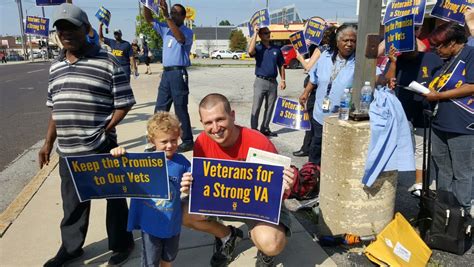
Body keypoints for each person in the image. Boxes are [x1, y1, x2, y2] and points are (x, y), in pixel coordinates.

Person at [38, 4, 136, 267]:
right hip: (68, 152)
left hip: (100, 147)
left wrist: (104, 130)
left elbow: (124, 103)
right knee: (72, 204)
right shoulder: (55, 67)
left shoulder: (108, 62)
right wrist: (48, 143)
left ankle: (122, 243)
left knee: (114, 199)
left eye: (72, 28)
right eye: (61, 29)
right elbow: (55, 109)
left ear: (87, 29)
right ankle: (71, 249)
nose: (66, 33)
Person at [180, 93, 295, 267]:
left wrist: (287, 183)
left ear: (232, 115)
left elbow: (278, 192)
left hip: (257, 206)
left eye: (220, 119)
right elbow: (203, 185)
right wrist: (191, 185)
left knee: (271, 242)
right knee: (182, 213)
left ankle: (265, 252)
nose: (215, 127)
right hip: (222, 200)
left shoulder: (258, 141)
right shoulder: (202, 142)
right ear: (202, 123)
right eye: (208, 123)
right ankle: (227, 235)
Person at [110, 112, 191, 267]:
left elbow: (196, 177)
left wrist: (191, 182)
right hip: (150, 226)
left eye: (174, 140)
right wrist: (118, 153)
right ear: (152, 140)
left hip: (172, 223)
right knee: (150, 262)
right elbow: (121, 169)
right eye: (164, 141)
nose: (170, 145)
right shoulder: (143, 163)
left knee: (168, 258)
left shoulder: (182, 162)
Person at [423, 22, 474, 214]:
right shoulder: (447, 60)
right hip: (440, 122)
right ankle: (444, 209)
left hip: (462, 124)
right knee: (442, 168)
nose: (436, 50)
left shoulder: (470, 55)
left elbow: (472, 85)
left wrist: (440, 96)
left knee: (462, 172)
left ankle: (461, 213)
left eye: (439, 46)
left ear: (453, 42)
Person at [383, 44, 444, 196]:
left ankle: (419, 183)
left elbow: (443, 79)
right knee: (396, 146)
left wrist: (434, 91)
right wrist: (393, 62)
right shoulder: (398, 60)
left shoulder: (431, 58)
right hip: (402, 110)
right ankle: (390, 179)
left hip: (424, 109)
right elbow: (386, 80)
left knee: (421, 147)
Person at [299, 24, 357, 165]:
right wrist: (305, 93)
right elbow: (314, 78)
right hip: (320, 115)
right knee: (316, 149)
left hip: (342, 117)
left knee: (336, 154)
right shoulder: (325, 56)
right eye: (346, 40)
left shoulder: (359, 61)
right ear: (337, 41)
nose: (349, 44)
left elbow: (378, 77)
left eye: (353, 41)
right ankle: (312, 179)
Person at [143, 0, 194, 152]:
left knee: (180, 108)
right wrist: (147, 4)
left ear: (183, 16)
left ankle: (187, 140)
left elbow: (180, 39)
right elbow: (149, 19)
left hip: (178, 72)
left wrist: (166, 17)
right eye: (171, 12)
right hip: (167, 73)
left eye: (175, 13)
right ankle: (156, 140)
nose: (172, 15)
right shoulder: (165, 29)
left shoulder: (187, 31)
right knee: (160, 108)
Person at [292, 26, 338, 157]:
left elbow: (309, 67)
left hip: (317, 90)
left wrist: (300, 57)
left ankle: (308, 148)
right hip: (326, 91)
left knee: (312, 121)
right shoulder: (335, 53)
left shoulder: (322, 50)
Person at [248, 25, 286, 137]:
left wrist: (283, 80)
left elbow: (281, 65)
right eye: (265, 33)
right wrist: (255, 33)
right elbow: (250, 51)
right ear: (260, 35)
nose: (268, 34)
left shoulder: (276, 49)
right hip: (260, 81)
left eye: (268, 32)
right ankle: (254, 130)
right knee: (256, 106)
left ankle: (265, 128)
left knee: (270, 107)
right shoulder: (258, 48)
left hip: (273, 82)